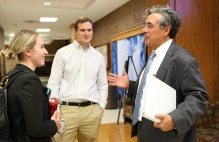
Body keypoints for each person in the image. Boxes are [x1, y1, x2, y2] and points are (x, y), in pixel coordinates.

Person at [107, 5, 209, 142]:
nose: (144, 30)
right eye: (145, 25)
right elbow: (152, 87)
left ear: (166, 30)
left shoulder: (183, 60)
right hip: (146, 132)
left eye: (149, 26)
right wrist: (130, 85)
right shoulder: (154, 56)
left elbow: (199, 96)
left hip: (167, 136)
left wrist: (175, 118)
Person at [47, 17, 108, 142]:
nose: (86, 33)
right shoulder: (62, 53)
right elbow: (54, 83)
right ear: (75, 31)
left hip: (91, 111)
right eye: (82, 30)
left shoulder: (98, 57)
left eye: (89, 30)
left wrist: (101, 107)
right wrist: (55, 109)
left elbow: (102, 85)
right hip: (66, 110)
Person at [0, 29, 61, 142]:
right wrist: (54, 124)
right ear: (28, 51)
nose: (46, 52)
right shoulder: (29, 80)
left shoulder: (10, 76)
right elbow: (37, 129)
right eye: (42, 47)